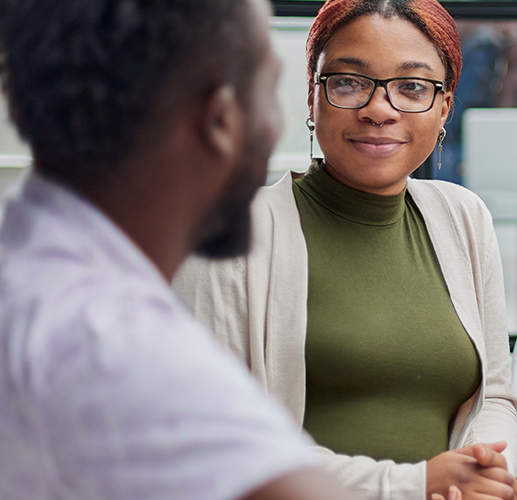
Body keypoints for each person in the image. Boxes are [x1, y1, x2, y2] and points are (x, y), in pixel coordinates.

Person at [172, 1, 517, 499]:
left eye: (412, 87)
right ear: (313, 98)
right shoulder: (230, 234)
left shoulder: (464, 218)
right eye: (349, 82)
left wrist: (480, 467)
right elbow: (216, 439)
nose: (379, 109)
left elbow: (497, 399)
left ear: (444, 107)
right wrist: (415, 484)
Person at [0, 0, 352, 498]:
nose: (279, 122)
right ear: (222, 121)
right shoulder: (114, 347)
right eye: (272, 90)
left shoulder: (25, 259)